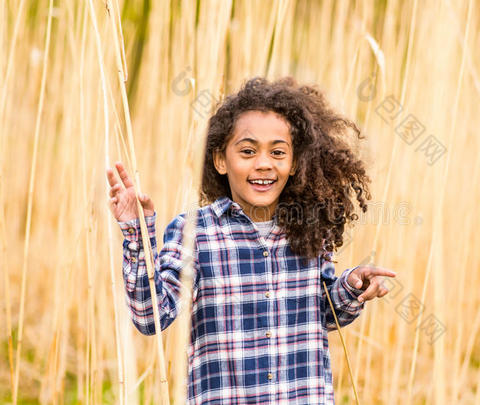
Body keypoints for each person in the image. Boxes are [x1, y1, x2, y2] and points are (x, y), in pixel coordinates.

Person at [105, 76, 396, 404]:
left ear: (294, 162)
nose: (263, 163)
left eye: (278, 152)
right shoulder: (194, 233)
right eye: (247, 151)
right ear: (220, 160)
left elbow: (322, 312)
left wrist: (352, 285)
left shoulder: (308, 231)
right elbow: (151, 316)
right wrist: (136, 232)